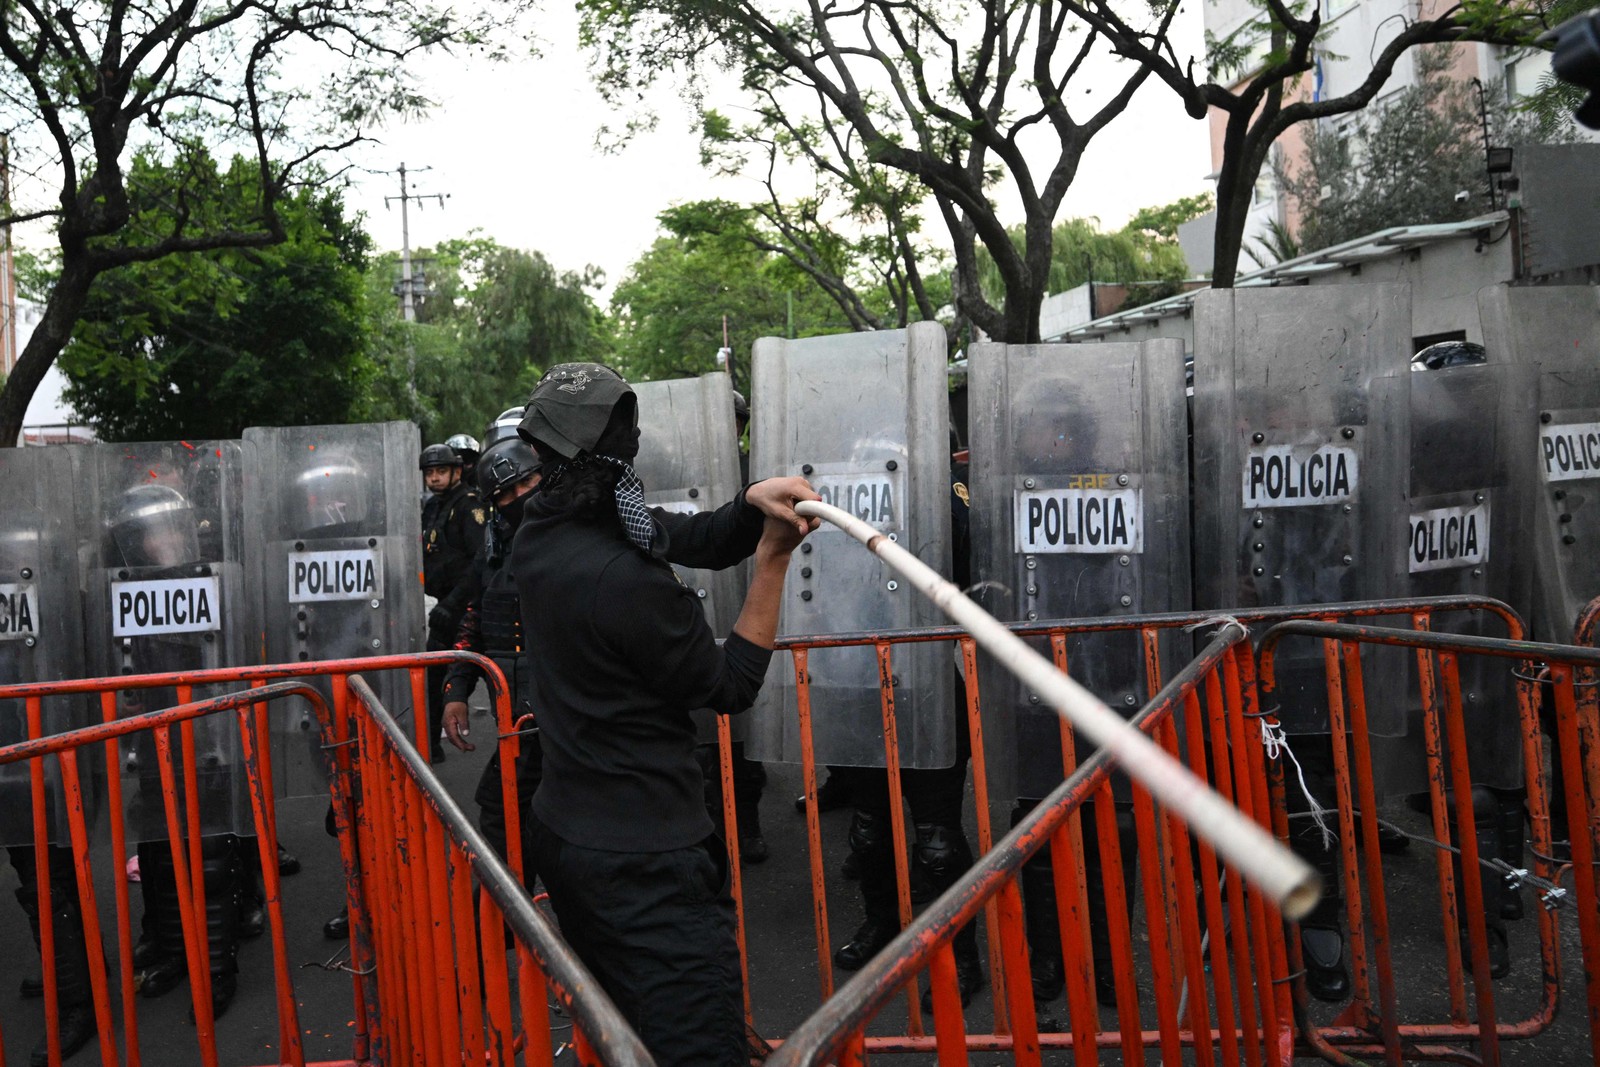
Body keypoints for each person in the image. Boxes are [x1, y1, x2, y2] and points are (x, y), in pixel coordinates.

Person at [511, 362, 819, 1067]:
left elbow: (686, 535)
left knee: (630, 1039)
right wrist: (772, 559)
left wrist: (749, 503)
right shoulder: (627, 582)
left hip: (570, 835)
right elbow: (729, 683)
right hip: (644, 865)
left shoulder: (543, 528)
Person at [439, 421, 544, 874]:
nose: (520, 496)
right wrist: (456, 689)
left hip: (576, 721)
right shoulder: (494, 547)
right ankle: (513, 924)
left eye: (528, 482)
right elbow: (476, 616)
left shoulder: (582, 538)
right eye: (507, 492)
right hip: (517, 719)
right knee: (501, 813)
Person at [421, 443, 485, 764]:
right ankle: (430, 743)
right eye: (430, 473)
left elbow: (480, 560)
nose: (434, 478)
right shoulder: (433, 507)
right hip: (442, 604)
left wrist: (456, 602)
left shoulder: (468, 506)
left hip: (467, 606)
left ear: (456, 472)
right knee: (432, 676)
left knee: (462, 672)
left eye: (441, 471)